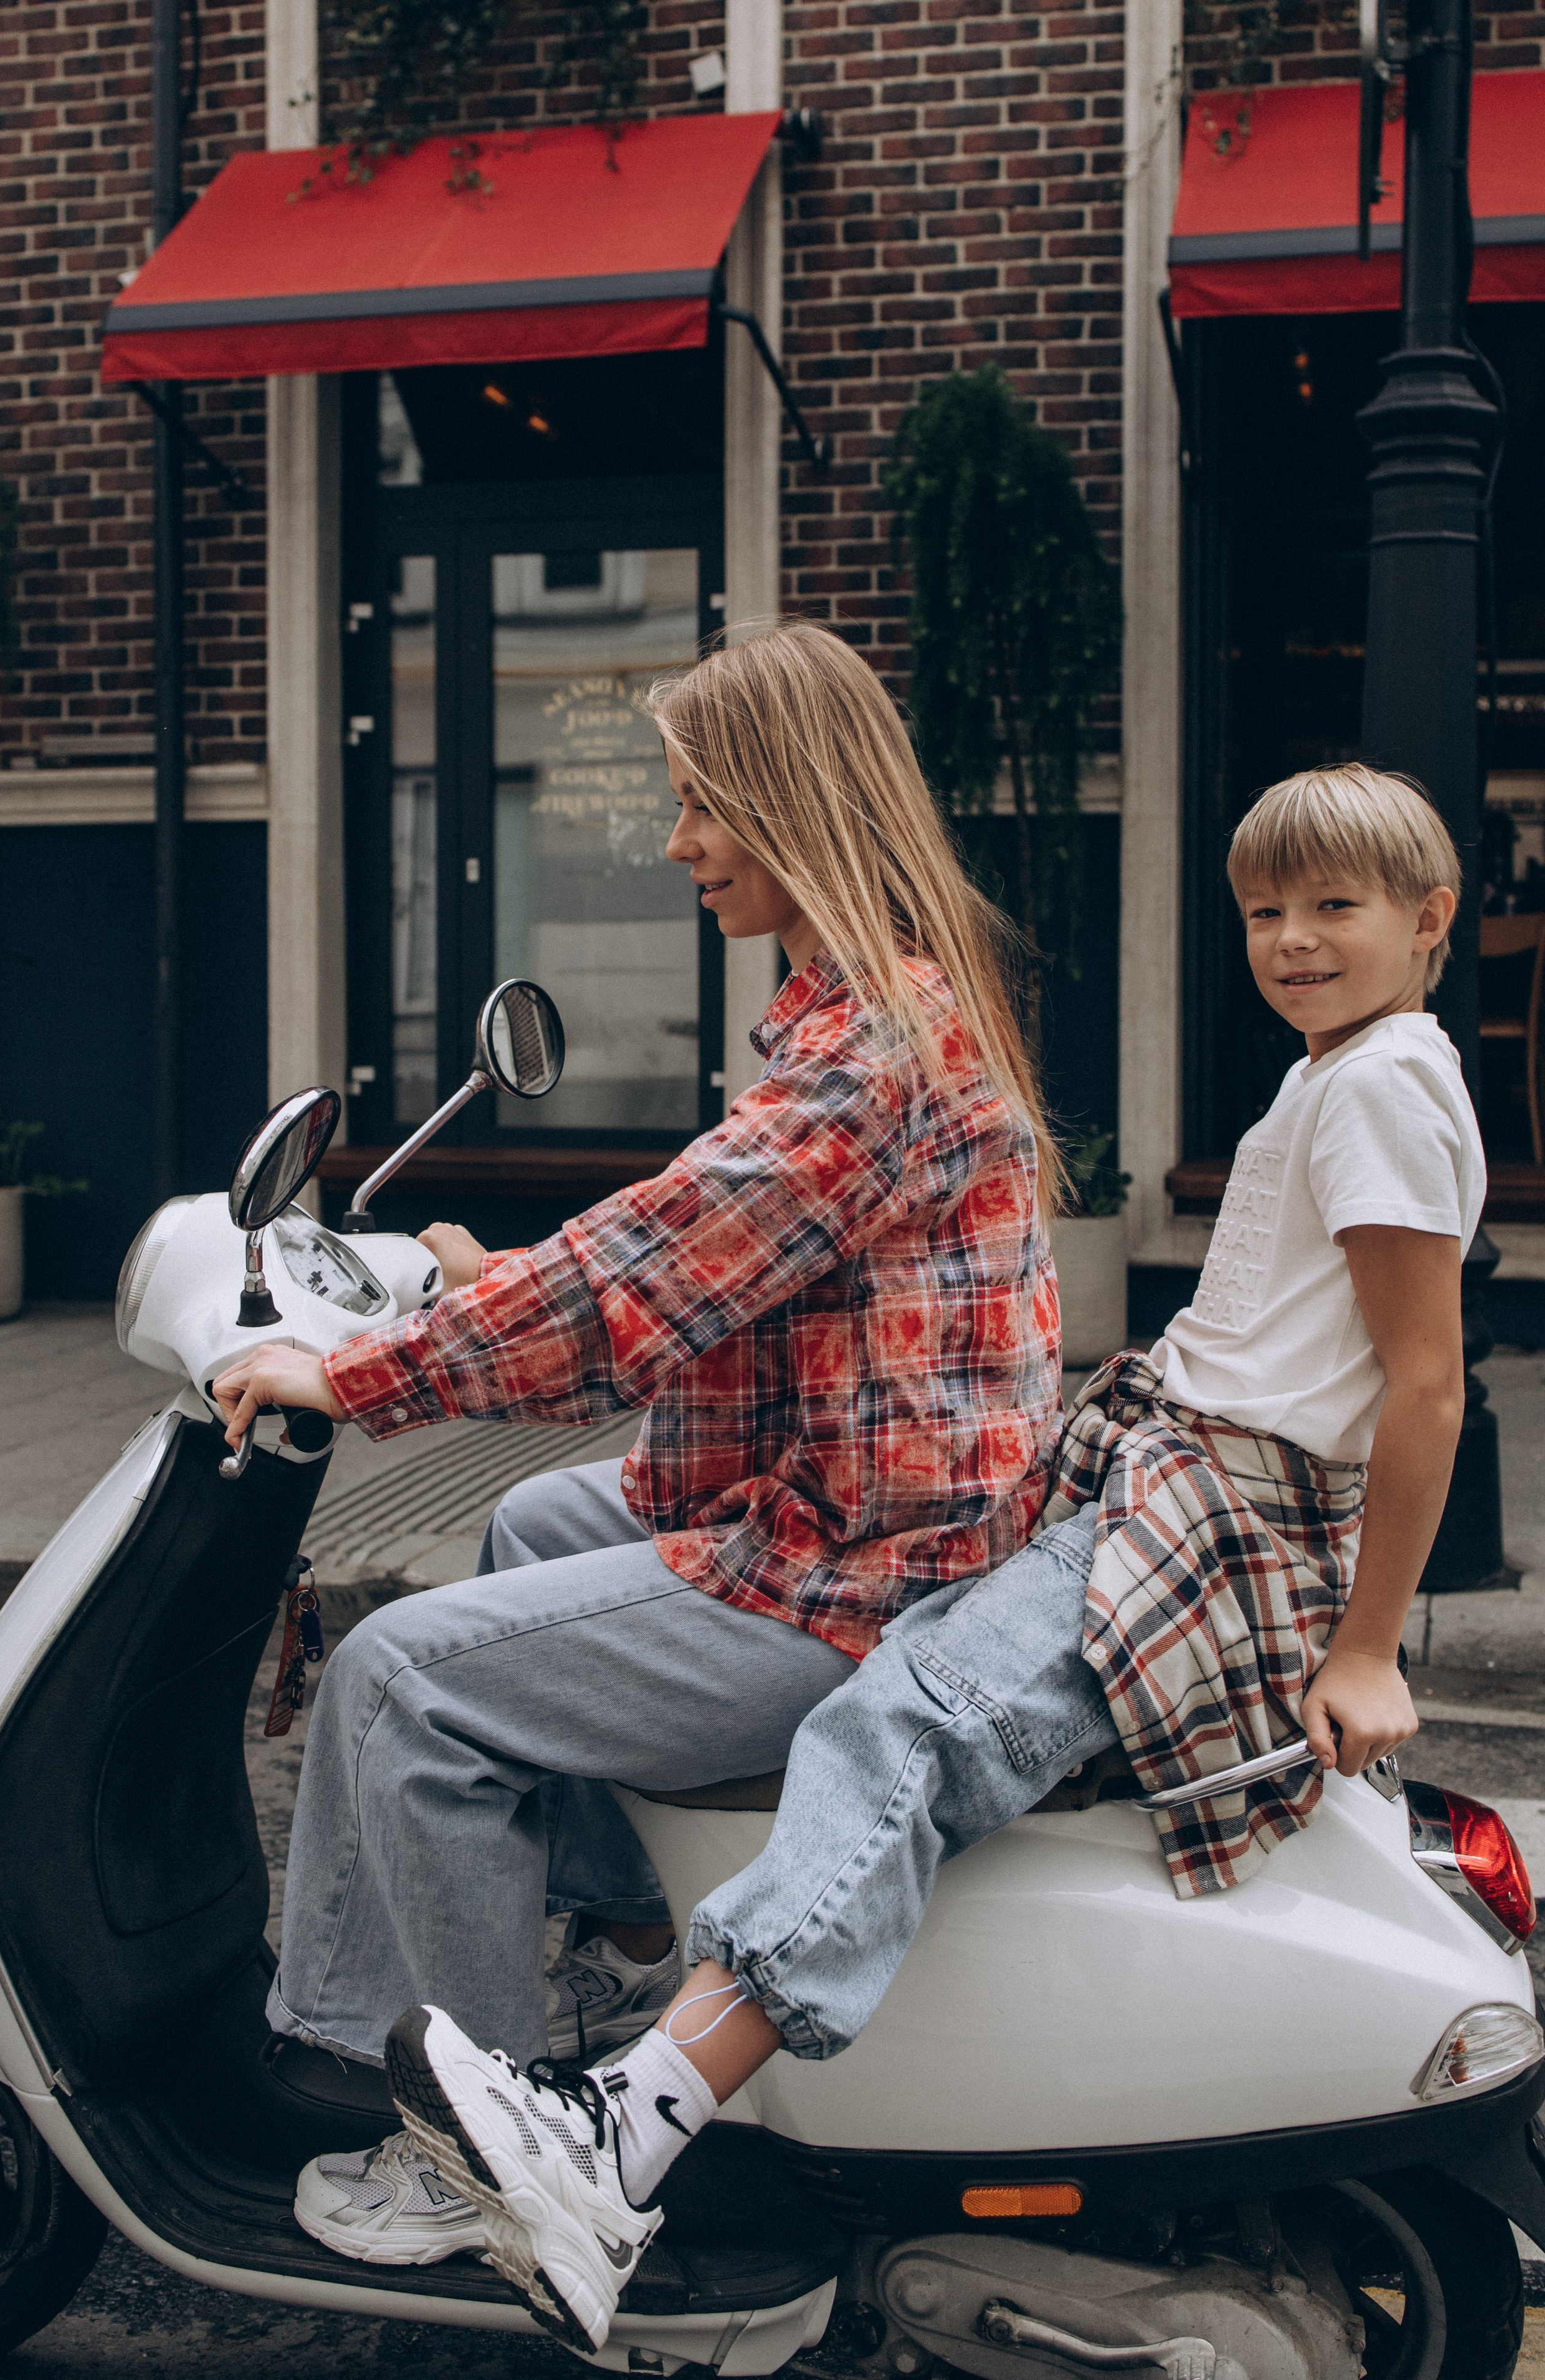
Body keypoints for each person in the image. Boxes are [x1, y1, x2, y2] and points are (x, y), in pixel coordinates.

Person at [376, 763, 1482, 2358]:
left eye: (1334, 907)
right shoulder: (1341, 1070)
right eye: (1263, 910)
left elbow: (1429, 1382)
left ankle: (629, 2128)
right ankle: (624, 1966)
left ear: (1427, 919)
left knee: (907, 1723)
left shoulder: (1380, 1086)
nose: (1291, 940)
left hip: (1211, 1522)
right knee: (830, 1659)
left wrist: (1369, 1646)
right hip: (1160, 1479)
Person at [211, 622, 1081, 2275]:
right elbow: (711, 1267)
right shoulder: (877, 1005)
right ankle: (622, 1927)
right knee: (543, 1519)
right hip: (887, 1513)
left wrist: (362, 1367)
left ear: (790, 804)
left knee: (398, 1680)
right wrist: (490, 1295)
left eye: (702, 808)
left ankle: (474, 2148)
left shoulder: (871, 1051)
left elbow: (647, 1276)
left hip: (866, 1575)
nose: (675, 842)